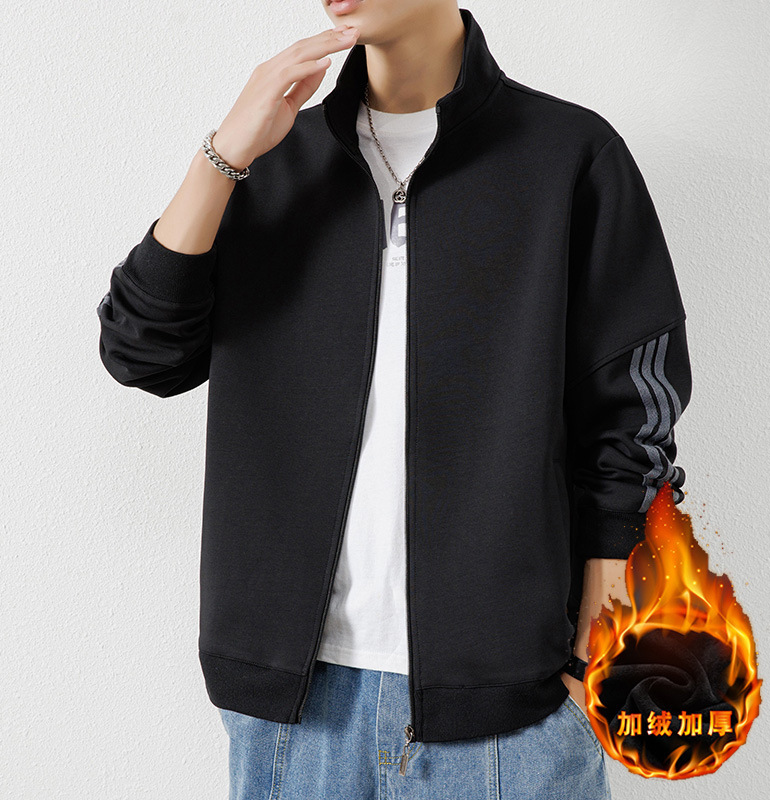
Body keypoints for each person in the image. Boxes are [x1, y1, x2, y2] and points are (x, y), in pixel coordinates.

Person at [96, 1, 692, 797]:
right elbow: (142, 353)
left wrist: (603, 609)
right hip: (294, 712)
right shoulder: (271, 161)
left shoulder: (568, 155)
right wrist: (223, 154)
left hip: (510, 703)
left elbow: (633, 401)